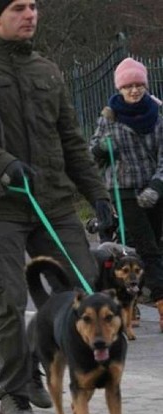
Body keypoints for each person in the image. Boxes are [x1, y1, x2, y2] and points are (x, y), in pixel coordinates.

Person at [0, 0, 113, 414]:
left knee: (81, 284)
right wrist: (1, 162)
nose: (30, 14)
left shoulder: (47, 70)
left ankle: (36, 360)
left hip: (52, 200)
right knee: (8, 297)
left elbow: (71, 139)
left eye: (34, 6)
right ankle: (14, 391)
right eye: (18, 7)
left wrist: (98, 194)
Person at [90, 57, 163, 333]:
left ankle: (131, 303)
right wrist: (101, 150)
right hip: (123, 189)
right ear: (120, 88)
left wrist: (156, 186)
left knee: (151, 245)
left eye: (138, 85)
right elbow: (92, 153)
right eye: (128, 86)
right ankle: (159, 303)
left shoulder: (157, 118)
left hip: (154, 190)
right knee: (147, 249)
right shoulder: (109, 118)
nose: (134, 91)